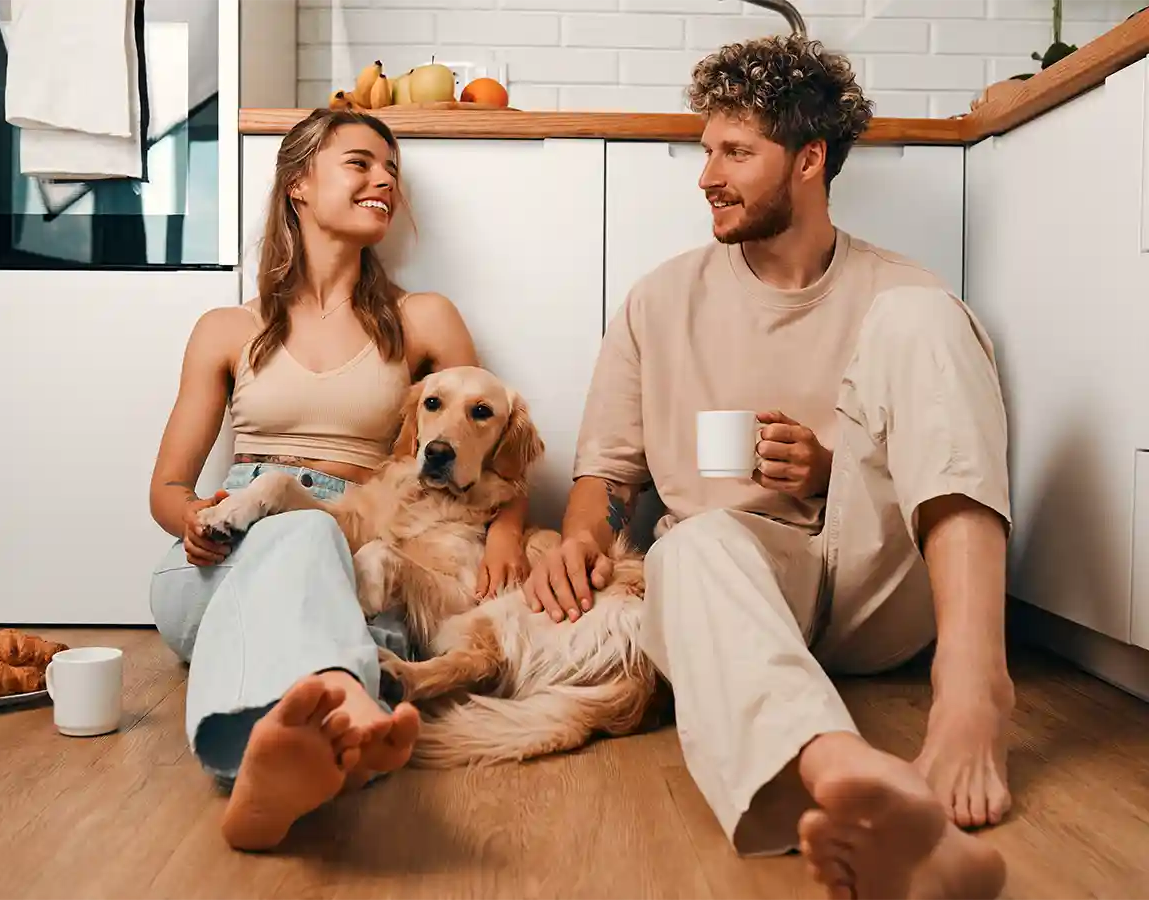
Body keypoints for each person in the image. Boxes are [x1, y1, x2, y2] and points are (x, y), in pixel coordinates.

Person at [524, 35, 1011, 900]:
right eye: (708, 150)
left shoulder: (897, 289)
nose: (707, 175)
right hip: (737, 586)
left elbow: (925, 460)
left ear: (810, 161)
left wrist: (828, 471)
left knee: (927, 320)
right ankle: (856, 785)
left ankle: (973, 689)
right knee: (690, 545)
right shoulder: (661, 299)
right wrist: (580, 537)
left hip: (873, 582)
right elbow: (607, 472)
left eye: (737, 152)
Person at [147, 108, 530, 852]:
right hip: (230, 545)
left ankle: (259, 766)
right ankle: (347, 710)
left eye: (392, 171)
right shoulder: (227, 328)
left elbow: (499, 446)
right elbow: (167, 488)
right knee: (299, 534)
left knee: (351, 580)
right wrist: (196, 520)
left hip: (368, 549)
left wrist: (507, 536)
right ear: (298, 182)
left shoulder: (421, 318)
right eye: (360, 163)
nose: (384, 180)